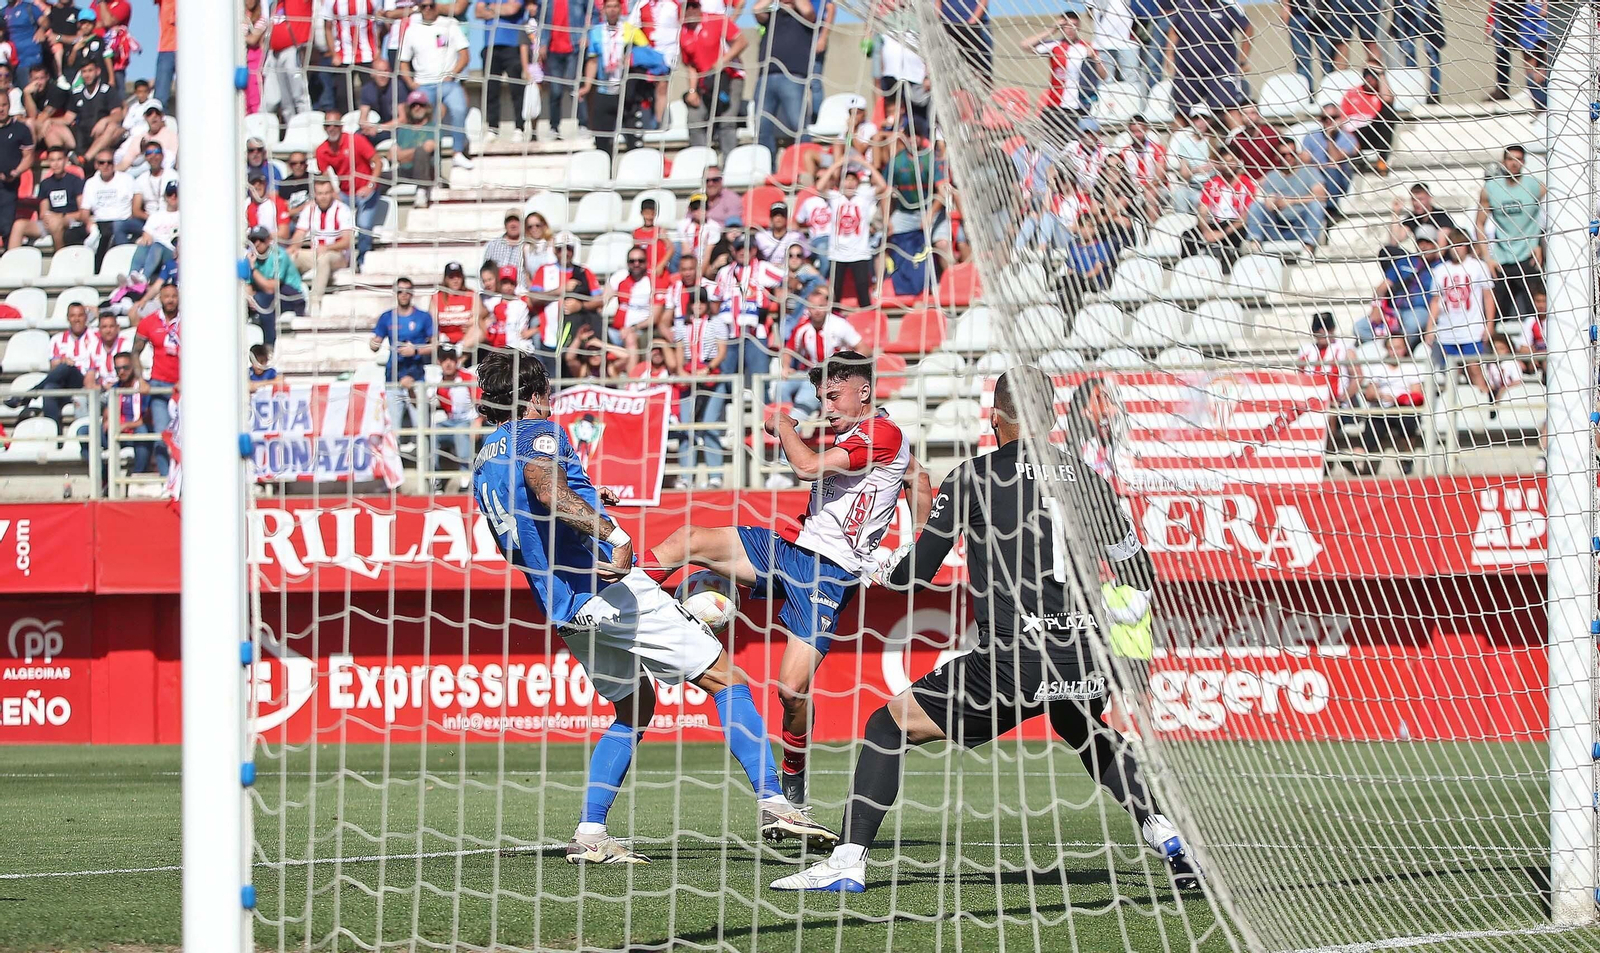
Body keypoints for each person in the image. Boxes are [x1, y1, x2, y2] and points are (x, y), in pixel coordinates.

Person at [768, 365, 1193, 893]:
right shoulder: (1090, 479)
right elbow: (1139, 573)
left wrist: (882, 568)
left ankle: (848, 862)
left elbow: (918, 573)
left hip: (1013, 657)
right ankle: (1166, 832)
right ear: (1051, 417)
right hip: (1083, 651)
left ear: (995, 419)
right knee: (1080, 724)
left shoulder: (973, 476)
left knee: (886, 726)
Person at [470, 352, 834, 863]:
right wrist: (612, 534)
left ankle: (591, 834)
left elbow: (526, 519)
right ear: (533, 395)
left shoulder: (484, 459)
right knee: (726, 679)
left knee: (635, 707)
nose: (550, 399)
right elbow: (548, 491)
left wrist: (590, 496)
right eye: (546, 390)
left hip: (564, 605)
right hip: (607, 586)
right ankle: (777, 805)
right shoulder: (538, 433)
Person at [639, 351, 933, 807]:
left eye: (834, 396)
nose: (827, 407)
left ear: (865, 391)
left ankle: (793, 772)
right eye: (821, 398)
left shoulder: (883, 432)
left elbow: (807, 467)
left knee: (791, 692)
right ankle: (625, 595)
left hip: (829, 573)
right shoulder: (868, 435)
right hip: (791, 548)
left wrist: (783, 426)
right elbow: (918, 477)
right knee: (688, 539)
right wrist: (916, 539)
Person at [398, 0, 474, 169]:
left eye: (431, 5)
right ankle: (428, 161)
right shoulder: (412, 30)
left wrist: (452, 74)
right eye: (423, 6)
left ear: (436, 5)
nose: (427, 9)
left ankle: (457, 152)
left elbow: (465, 55)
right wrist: (411, 83)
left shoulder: (450, 24)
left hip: (448, 83)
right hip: (424, 84)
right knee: (423, 117)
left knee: (459, 108)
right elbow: (403, 62)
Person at [1476, 143, 1545, 326]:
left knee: (1536, 313)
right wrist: (1487, 258)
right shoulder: (1490, 188)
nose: (1514, 163)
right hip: (1502, 259)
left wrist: (1541, 244)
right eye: (1510, 159)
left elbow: (1554, 214)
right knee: (1498, 316)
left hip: (1528, 257)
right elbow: (1479, 223)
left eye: (1518, 159)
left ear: (1524, 162)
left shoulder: (1535, 186)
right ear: (1503, 162)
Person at [1426, 228, 1494, 391]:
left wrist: (1489, 324)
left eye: (1460, 245)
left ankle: (1485, 399)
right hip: (1447, 330)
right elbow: (1435, 300)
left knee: (1474, 369)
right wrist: (1429, 327)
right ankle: (1455, 403)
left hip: (1472, 329)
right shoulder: (1440, 270)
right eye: (1452, 245)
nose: (1456, 249)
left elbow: (1488, 297)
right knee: (1451, 373)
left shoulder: (1478, 266)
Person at [315, 112, 385, 271]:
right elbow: (326, 178)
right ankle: (337, 257)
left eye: (335, 125)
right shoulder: (321, 150)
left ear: (341, 126)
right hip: (345, 193)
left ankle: (362, 259)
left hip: (366, 189)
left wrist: (370, 185)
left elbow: (377, 161)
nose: (331, 128)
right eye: (328, 125)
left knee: (363, 224)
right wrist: (334, 194)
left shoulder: (356, 140)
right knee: (329, 214)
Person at [6, 300, 95, 424]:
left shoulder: (95, 337)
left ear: (86, 317)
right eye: (73, 316)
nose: (77, 319)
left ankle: (30, 394)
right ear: (68, 318)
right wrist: (62, 362)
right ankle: (53, 430)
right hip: (63, 383)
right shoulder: (57, 339)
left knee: (66, 367)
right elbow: (54, 367)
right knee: (49, 388)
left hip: (83, 381)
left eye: (80, 315)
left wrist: (65, 364)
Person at [776, 289, 860, 419]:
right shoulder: (802, 327)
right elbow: (788, 350)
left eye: (821, 306)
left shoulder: (840, 325)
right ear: (807, 308)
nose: (817, 310)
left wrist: (848, 367)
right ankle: (784, 417)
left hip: (832, 376)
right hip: (808, 373)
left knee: (806, 393)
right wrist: (786, 367)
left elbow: (863, 348)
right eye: (813, 306)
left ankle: (792, 426)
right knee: (780, 387)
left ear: (827, 306)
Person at [578, 0, 647, 156]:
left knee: (634, 141)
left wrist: (633, 58)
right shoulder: (596, 32)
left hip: (626, 93)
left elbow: (646, 52)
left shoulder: (631, 30)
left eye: (615, 6)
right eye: (609, 7)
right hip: (604, 91)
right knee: (602, 142)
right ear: (603, 9)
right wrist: (587, 86)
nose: (612, 10)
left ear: (621, 9)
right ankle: (605, 168)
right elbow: (593, 61)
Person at [679, 0, 745, 160]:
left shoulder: (717, 20)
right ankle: (703, 162)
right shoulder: (683, 33)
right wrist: (692, 91)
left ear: (700, 7)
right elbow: (691, 66)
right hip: (705, 84)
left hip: (730, 78)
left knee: (726, 121)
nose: (691, 10)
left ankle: (730, 163)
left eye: (694, 6)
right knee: (694, 119)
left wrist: (724, 60)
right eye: (687, 7)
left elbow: (742, 41)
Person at [1021, 12, 1106, 137]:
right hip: (1055, 105)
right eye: (1066, 26)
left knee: (1075, 142)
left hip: (1080, 106)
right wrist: (1051, 30)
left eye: (1074, 25)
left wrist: (1095, 59)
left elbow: (1103, 75)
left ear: (1079, 27)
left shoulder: (1087, 47)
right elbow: (1025, 45)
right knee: (1049, 141)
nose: (1070, 30)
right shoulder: (1054, 45)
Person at [752, 0, 820, 157]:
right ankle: (767, 165)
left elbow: (808, 11)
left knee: (798, 125)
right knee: (762, 127)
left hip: (792, 77)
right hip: (766, 77)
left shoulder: (805, 18)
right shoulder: (771, 17)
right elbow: (756, 9)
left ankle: (806, 163)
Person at [1163, 0, 1251, 118]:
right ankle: (1179, 131)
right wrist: (1169, 54)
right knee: (1182, 113)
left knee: (1229, 109)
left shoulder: (1227, 6)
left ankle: (1238, 130)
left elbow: (1248, 29)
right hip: (1187, 70)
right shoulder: (1185, 6)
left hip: (1220, 70)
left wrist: (1243, 59)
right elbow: (1174, 29)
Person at [370, 276, 436, 434]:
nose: (404, 294)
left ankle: (423, 451)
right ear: (395, 293)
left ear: (412, 293)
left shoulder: (423, 317)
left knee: (422, 429)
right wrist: (373, 343)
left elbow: (435, 345)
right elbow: (375, 343)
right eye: (400, 291)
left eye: (407, 291)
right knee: (393, 431)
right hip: (393, 378)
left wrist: (416, 350)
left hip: (416, 378)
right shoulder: (387, 317)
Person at [816, 161, 885, 309]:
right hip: (837, 253)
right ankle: (834, 319)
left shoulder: (864, 197)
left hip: (859, 253)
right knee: (835, 296)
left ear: (857, 183)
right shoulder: (835, 197)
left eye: (853, 180)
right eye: (846, 180)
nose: (849, 183)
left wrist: (866, 164)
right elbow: (819, 187)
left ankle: (867, 319)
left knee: (863, 295)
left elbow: (882, 185)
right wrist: (835, 165)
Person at [1358, 225, 1441, 345]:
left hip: (1419, 310)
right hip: (1394, 310)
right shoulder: (1405, 261)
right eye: (1420, 242)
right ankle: (1387, 349)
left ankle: (1399, 349)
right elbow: (1382, 287)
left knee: (1412, 324)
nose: (1424, 246)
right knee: (1360, 328)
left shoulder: (1441, 267)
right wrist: (1376, 307)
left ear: (1435, 244)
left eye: (1428, 242)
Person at [1360, 330, 1425, 473]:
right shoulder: (1379, 366)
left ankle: (1407, 457)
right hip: (1382, 408)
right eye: (1391, 348)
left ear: (1405, 348)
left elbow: (1417, 394)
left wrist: (1396, 399)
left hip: (1403, 407)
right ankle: (1365, 463)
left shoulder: (1411, 366)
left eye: (1398, 348)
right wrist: (1380, 395)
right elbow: (1369, 393)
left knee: (1408, 421)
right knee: (1372, 424)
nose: (1394, 352)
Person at [1246, 140, 1327, 255]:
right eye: (1284, 154)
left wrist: (1292, 201)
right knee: (1256, 206)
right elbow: (1268, 204)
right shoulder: (1271, 176)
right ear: (1277, 156)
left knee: (1316, 205)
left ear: (1297, 154)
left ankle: (1308, 247)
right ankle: (1254, 245)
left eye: (1291, 154)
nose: (1288, 157)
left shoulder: (1309, 172)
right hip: (1277, 225)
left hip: (1301, 223)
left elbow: (1321, 196)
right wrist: (1272, 201)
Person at [132, 281, 179, 476]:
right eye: (167, 296)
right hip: (159, 385)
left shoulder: (190, 320)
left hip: (185, 388)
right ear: (160, 298)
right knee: (161, 433)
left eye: (174, 296)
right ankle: (166, 478)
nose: (170, 300)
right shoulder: (149, 322)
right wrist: (141, 379)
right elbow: (135, 352)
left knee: (187, 435)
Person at [1183, 145, 1254, 271]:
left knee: (1238, 236)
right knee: (1187, 236)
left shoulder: (1246, 184)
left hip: (1235, 226)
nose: (1228, 165)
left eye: (1231, 161)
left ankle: (1234, 270)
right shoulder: (1212, 183)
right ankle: (1188, 270)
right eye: (1224, 162)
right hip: (1215, 223)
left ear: (1238, 162)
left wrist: (1223, 233)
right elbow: (1202, 210)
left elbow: (1246, 215)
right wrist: (1206, 231)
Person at [290, 178, 355, 308]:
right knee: (292, 257)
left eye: (326, 193)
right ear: (315, 194)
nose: (323, 197)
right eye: (320, 193)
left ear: (332, 193)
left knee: (324, 258)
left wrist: (327, 248)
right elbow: (299, 233)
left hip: (338, 255)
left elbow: (347, 241)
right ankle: (292, 299)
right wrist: (294, 247)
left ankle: (314, 302)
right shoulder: (309, 209)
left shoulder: (342, 209)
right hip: (315, 253)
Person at [10, 144, 86, 250]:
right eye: (52, 160)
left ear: (65, 160)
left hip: (69, 219)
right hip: (50, 221)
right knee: (18, 225)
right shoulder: (45, 183)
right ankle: (11, 258)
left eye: (59, 159)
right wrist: (46, 217)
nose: (56, 164)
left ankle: (59, 257)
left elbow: (82, 213)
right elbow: (43, 212)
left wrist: (61, 216)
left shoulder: (76, 181)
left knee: (55, 223)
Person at [477, 0, 529, 138]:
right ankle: (492, 128)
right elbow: (478, 12)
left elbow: (512, 9)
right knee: (491, 89)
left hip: (512, 45)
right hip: (490, 46)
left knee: (516, 89)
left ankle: (519, 127)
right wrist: (502, 9)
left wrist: (490, 8)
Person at [245, 224, 304, 345]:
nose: (257, 244)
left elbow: (271, 288)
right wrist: (250, 298)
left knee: (262, 302)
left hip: (291, 295)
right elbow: (248, 285)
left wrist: (253, 269)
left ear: (268, 240)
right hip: (266, 294)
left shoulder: (279, 255)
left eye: (261, 240)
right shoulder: (251, 257)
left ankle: (269, 344)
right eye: (253, 240)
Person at [431, 343, 478, 489]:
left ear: (457, 360)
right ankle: (435, 478)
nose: (448, 363)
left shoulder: (467, 377)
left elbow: (482, 403)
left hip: (469, 421)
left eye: (451, 359)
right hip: (450, 422)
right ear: (439, 362)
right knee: (431, 433)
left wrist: (478, 420)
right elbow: (424, 399)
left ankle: (466, 478)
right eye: (444, 359)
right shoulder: (437, 382)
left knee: (460, 432)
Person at [83, 148, 138, 271]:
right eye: (102, 162)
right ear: (96, 165)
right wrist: (88, 223)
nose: (106, 165)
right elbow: (84, 211)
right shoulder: (91, 183)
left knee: (110, 232)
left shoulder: (126, 179)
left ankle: (114, 267)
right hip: (100, 221)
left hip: (122, 220)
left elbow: (135, 204)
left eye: (109, 162)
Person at [322, 0, 380, 115]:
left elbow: (378, 23)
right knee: (343, 95)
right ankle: (347, 122)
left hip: (367, 54)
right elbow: (327, 28)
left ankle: (373, 120)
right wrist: (334, 54)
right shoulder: (331, 1)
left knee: (371, 93)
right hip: (343, 56)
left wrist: (377, 48)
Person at [1339, 66, 1397, 172]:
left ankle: (1382, 159)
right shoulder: (1352, 92)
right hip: (1355, 132)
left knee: (1388, 112)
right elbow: (1342, 117)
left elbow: (1388, 100)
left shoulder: (1380, 93)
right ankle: (1359, 159)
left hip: (1374, 130)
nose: (1369, 80)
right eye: (1367, 77)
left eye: (1373, 77)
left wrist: (1381, 74)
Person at [1301, 105, 1358, 211]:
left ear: (1339, 118)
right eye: (1325, 118)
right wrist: (1320, 167)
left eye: (1333, 117)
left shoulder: (1348, 138)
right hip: (1316, 174)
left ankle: (1331, 210)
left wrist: (1329, 138)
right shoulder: (1310, 137)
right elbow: (1304, 161)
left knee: (1332, 169)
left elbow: (1335, 159)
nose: (1328, 121)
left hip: (1339, 177)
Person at [390, 90, 438, 207]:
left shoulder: (433, 127)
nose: (417, 108)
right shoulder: (403, 129)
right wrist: (414, 153)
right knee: (379, 176)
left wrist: (404, 155)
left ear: (427, 107)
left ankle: (421, 191)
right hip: (406, 171)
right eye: (413, 105)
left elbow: (428, 148)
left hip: (426, 171)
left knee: (421, 153)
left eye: (421, 105)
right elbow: (391, 155)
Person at [0, 81, 31, 243]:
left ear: (9, 105)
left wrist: (17, 171)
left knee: (6, 226)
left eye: (4, 105)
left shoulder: (21, 129)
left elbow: (28, 156)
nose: (1, 109)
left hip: (8, 185)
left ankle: (7, 255)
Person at [431, 260, 484, 349]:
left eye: (458, 276)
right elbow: (431, 321)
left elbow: (478, 318)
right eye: (451, 277)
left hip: (466, 339)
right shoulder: (437, 296)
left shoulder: (471, 294)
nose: (455, 280)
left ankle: (459, 350)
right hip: (443, 339)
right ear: (446, 279)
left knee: (479, 331)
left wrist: (470, 323)